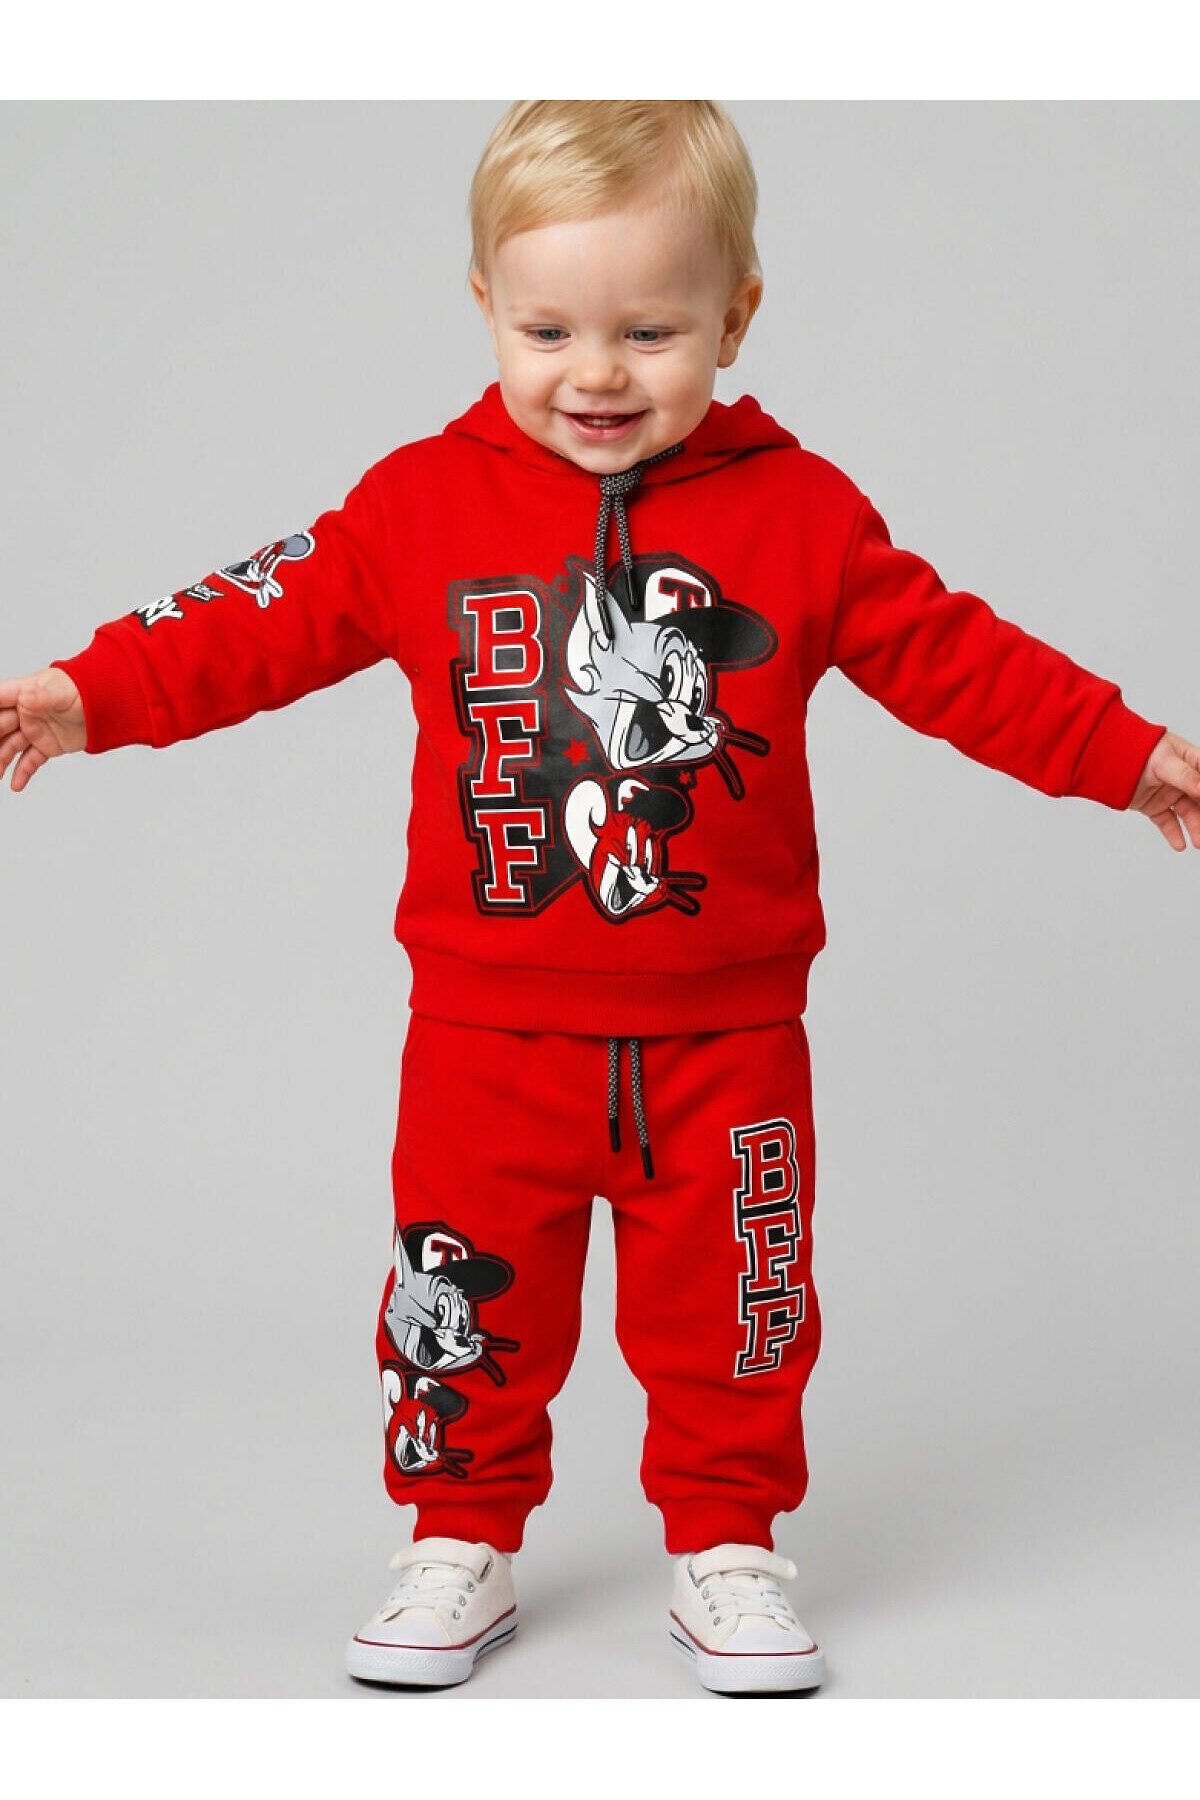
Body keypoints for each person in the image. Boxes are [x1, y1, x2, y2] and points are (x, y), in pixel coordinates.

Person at [3, 100, 1198, 1699]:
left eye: (651, 331)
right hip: (486, 1036)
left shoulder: (801, 515)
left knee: (740, 1305)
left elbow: (958, 658)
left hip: (728, 1033)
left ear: (736, 317)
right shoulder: (419, 505)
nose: (598, 374)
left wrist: (1124, 753)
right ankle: (456, 1535)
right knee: (456, 1291)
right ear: (486, 306)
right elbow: (256, 615)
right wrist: (89, 692)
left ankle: (730, 1543)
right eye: (549, 329)